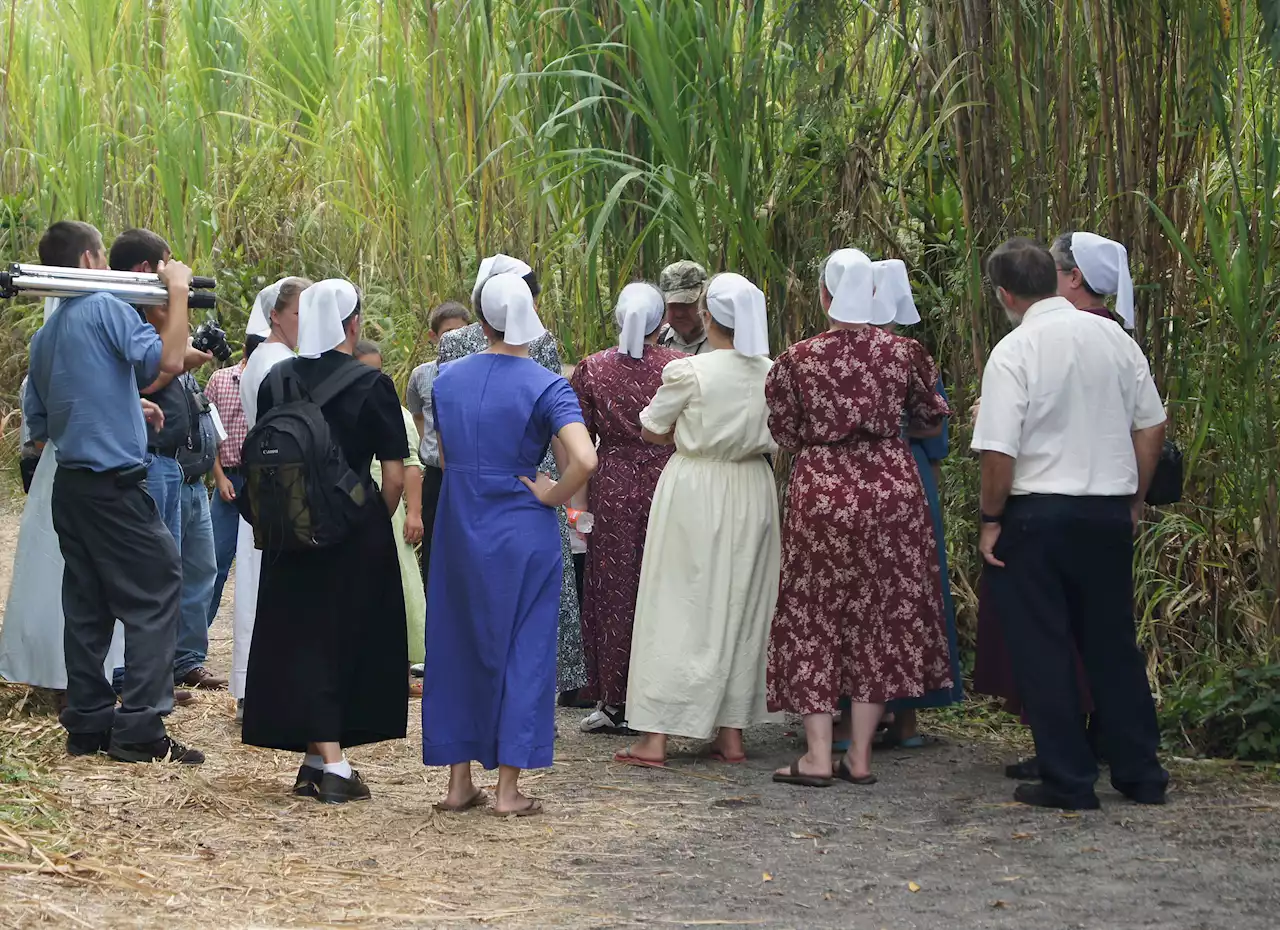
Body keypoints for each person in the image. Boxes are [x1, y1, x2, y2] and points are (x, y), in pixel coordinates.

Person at [973, 237, 1169, 810]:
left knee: (1044, 646)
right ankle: (1141, 773)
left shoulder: (1014, 350)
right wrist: (1134, 496)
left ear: (1006, 293)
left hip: (1037, 514)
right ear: (1056, 279)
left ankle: (1069, 778)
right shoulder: (1113, 338)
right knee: (1113, 643)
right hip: (1106, 509)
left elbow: (997, 454)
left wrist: (991, 519)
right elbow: (1151, 424)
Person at [765, 250, 952, 788]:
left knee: (812, 612)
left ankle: (819, 755)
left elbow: (785, 431)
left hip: (821, 490)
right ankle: (862, 756)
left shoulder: (797, 359)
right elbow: (930, 416)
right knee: (882, 614)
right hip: (892, 490)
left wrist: (831, 442)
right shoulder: (905, 352)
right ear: (874, 294)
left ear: (824, 295)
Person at [23, 219, 203, 764]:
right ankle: (142, 728)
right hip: (111, 487)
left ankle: (88, 724)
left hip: (72, 488)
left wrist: (127, 405)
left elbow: (45, 421)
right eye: (102, 257)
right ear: (86, 262)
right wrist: (177, 290)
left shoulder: (46, 334)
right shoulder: (104, 306)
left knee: (88, 605)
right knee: (157, 588)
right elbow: (169, 361)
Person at [423, 273, 597, 815]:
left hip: (459, 521)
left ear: (482, 320)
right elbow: (586, 459)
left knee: (456, 641)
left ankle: (458, 783)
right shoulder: (547, 384)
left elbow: (444, 454)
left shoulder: (445, 378)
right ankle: (508, 790)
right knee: (525, 647)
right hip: (523, 524)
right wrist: (554, 497)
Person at [242, 279, 409, 804]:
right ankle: (336, 767)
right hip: (352, 534)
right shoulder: (372, 384)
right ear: (352, 324)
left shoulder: (275, 378)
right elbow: (396, 476)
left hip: (289, 529)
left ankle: (315, 758)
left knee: (299, 638)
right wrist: (366, 521)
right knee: (343, 642)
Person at [617, 273, 779, 768]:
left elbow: (650, 429)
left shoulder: (691, 372)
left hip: (696, 487)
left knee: (679, 602)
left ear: (709, 318)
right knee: (741, 602)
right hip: (753, 487)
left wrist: (685, 436)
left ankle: (657, 735)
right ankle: (730, 732)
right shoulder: (772, 371)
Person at [436, 255, 587, 702]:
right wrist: (559, 494)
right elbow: (571, 446)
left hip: (464, 499)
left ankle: (462, 757)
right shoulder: (542, 354)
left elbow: (444, 452)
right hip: (527, 488)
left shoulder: (447, 368)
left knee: (464, 619)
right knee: (529, 621)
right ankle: (534, 706)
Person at [108, 229, 224, 693]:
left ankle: (185, 660)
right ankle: (147, 672)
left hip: (188, 472)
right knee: (160, 569)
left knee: (199, 570)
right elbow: (141, 384)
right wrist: (181, 351)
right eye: (167, 262)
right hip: (156, 463)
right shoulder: (126, 325)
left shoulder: (160, 332)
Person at [570, 283, 684, 734]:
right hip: (669, 478)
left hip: (613, 482)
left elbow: (576, 435)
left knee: (614, 588)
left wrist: (577, 508)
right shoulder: (680, 367)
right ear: (663, 322)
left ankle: (613, 697)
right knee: (665, 582)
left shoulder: (592, 369)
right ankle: (663, 696)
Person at [1, 307, 126, 694]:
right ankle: (63, 674)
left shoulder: (52, 350)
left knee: (66, 571)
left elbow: (38, 426)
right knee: (63, 573)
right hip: (74, 464)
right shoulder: (80, 361)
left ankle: (77, 675)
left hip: (60, 463)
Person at [230, 277, 310, 717]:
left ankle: (255, 687)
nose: (306, 321)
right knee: (268, 588)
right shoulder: (279, 363)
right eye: (298, 312)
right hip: (279, 487)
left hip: (266, 485)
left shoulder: (266, 357)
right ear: (275, 316)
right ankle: (264, 691)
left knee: (257, 586)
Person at [355, 339, 428, 693]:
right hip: (356, 505)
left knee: (402, 586)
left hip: (390, 507)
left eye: (377, 371)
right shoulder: (345, 403)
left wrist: (413, 513)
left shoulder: (395, 412)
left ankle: (400, 669)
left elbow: (411, 466)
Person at [405, 300, 472, 635]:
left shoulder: (480, 372)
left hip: (470, 475)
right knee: (432, 551)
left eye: (461, 331)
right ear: (434, 337)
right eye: (447, 333)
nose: (454, 338)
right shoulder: (422, 375)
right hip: (435, 475)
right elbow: (419, 416)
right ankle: (436, 631)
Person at [203, 333, 264, 625]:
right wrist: (218, 476)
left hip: (265, 483)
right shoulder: (220, 381)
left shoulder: (276, 377)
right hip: (229, 480)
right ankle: (191, 652)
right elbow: (208, 434)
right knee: (214, 563)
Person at [656, 260, 712, 355]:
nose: (679, 313)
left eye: (685, 304)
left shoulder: (723, 343)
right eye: (672, 305)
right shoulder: (657, 341)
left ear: (703, 299)